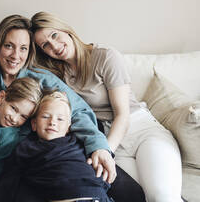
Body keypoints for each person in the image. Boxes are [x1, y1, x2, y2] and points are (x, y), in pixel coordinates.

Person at [0, 14, 116, 184]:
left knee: (127, 191)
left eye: (23, 48)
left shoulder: (42, 79)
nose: (15, 56)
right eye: (9, 46)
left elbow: (79, 111)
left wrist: (99, 146)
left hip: (33, 160)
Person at [30, 11, 183, 202]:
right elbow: (22, 66)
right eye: (45, 45)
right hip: (107, 139)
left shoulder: (105, 57)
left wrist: (105, 150)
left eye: (54, 35)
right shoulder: (57, 75)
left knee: (161, 195)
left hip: (139, 129)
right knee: (136, 196)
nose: (54, 46)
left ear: (66, 30)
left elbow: (123, 114)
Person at [0, 91, 113, 202]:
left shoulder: (79, 142)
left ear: (68, 127)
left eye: (60, 119)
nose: (52, 122)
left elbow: (100, 163)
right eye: (45, 116)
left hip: (97, 195)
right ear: (34, 124)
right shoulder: (26, 147)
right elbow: (7, 180)